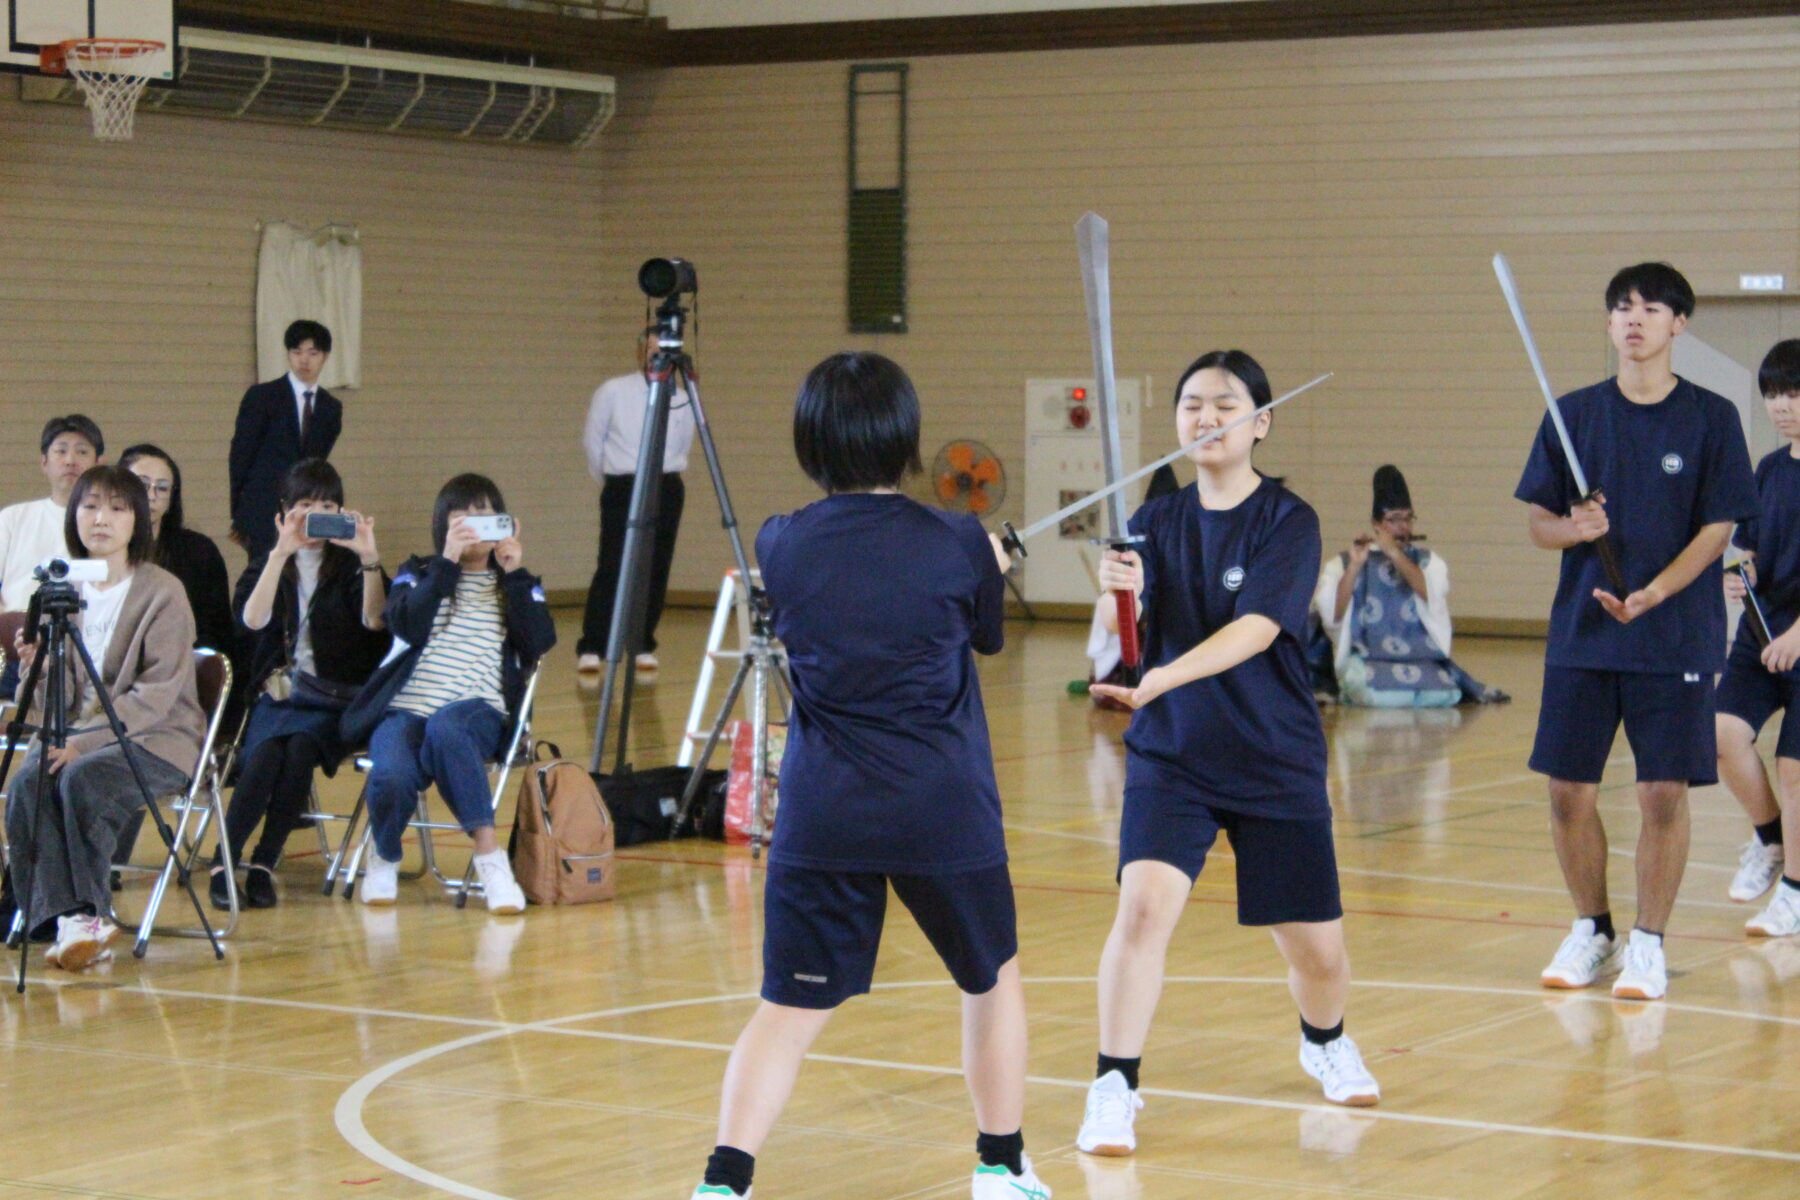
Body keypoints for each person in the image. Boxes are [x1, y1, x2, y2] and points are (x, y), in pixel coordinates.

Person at [687, 353, 1049, 1200]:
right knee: (991, 982)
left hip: (826, 811)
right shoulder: (958, 538)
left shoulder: (780, 540)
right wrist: (990, 563)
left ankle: (722, 1184)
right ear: (905, 437)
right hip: (942, 806)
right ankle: (1000, 1169)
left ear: (812, 441)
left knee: (787, 1009)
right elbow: (986, 636)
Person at [1075, 350, 1379, 1165]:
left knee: (1317, 952)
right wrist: (1112, 590)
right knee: (1140, 913)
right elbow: (1108, 644)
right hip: (1172, 754)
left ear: (1261, 422)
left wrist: (1165, 673)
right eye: (1190, 404)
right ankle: (1113, 1082)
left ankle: (1325, 1039)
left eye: (1225, 403)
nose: (1205, 416)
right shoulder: (1154, 521)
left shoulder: (1288, 521)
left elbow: (1256, 630)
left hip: (1272, 756)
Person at [1515, 262, 1758, 1001]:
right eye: (1622, 307)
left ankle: (1648, 944)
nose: (1634, 319)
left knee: (1662, 795)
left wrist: (1656, 591)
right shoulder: (1572, 415)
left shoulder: (1711, 417)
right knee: (1567, 793)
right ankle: (1593, 930)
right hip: (1584, 637)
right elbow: (1538, 524)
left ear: (1678, 324)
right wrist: (1572, 526)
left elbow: (1719, 526)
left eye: (1651, 308)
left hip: (1674, 634)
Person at [3, 466, 204, 971]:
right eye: (90, 506)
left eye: (117, 508)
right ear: (74, 516)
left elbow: (156, 696)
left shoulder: (163, 592)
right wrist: (40, 668)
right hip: (77, 735)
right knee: (29, 781)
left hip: (157, 739)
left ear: (138, 520)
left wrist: (83, 744)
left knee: (83, 779)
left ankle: (91, 913)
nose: (101, 519)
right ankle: (62, 919)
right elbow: (60, 697)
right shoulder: (60, 588)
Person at [339, 474, 553, 916]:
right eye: (462, 517)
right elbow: (406, 626)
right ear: (442, 525)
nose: (474, 526)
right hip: (406, 708)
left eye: (485, 516)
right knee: (392, 771)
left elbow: (538, 643)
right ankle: (384, 854)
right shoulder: (416, 574)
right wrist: (446, 565)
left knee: (449, 727)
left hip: (479, 710)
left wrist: (514, 574)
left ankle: (491, 860)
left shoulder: (515, 582)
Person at [210, 459, 389, 910]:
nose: (315, 514)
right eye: (305, 505)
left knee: (301, 751)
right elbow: (252, 622)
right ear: (282, 513)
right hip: (279, 695)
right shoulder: (266, 564)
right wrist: (279, 553)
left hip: (334, 699)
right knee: (270, 751)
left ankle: (264, 863)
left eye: (327, 505)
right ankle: (227, 858)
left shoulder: (351, 566)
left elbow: (375, 622)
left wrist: (369, 557)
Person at [1715, 338, 1800, 936]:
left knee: (1795, 767)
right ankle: (1769, 841)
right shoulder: (1767, 471)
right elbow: (1744, 546)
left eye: (1794, 393)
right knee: (1719, 733)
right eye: (1773, 395)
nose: (1782, 406)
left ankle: (1795, 891)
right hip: (1761, 636)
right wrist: (1737, 572)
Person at [1313, 465, 1506, 706]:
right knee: (1381, 697)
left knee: (1443, 694)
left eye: (1408, 518)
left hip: (1420, 658)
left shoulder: (1428, 562)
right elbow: (1333, 616)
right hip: (1369, 660)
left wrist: (1393, 552)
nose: (1403, 526)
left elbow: (1429, 596)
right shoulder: (1341, 563)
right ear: (1376, 523)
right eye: (1394, 519)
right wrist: (1354, 567)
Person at [576, 325, 693, 676]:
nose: (657, 356)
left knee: (656, 565)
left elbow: (683, 444)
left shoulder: (683, 395)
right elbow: (592, 443)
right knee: (612, 564)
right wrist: (614, 480)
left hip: (666, 485)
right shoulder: (613, 390)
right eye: (651, 349)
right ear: (640, 353)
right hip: (623, 485)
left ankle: (642, 642)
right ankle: (593, 645)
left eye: (664, 351)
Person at [229, 319, 343, 583]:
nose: (304, 360)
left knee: (305, 576)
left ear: (324, 356)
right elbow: (240, 457)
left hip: (308, 510)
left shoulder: (330, 408)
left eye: (313, 353)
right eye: (296, 352)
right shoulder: (262, 396)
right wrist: (238, 513)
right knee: (263, 575)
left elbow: (318, 465)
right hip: (263, 508)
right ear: (288, 354)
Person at [0, 415, 104, 698]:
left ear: (98, 464)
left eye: (82, 451)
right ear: (44, 462)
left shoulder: (106, 524)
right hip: (12, 648)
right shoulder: (12, 518)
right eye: (61, 451)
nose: (70, 460)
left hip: (81, 646)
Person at [117, 445, 233, 659]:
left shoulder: (199, 551)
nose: (151, 495)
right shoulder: (103, 550)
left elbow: (217, 631)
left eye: (162, 488)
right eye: (142, 484)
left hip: (181, 669)